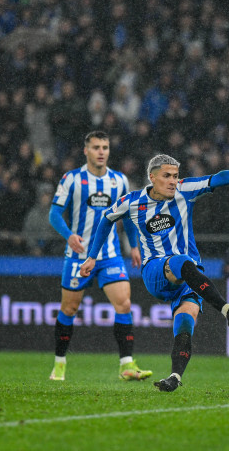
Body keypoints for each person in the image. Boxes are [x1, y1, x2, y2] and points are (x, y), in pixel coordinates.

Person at [80, 154, 229, 392]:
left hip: (189, 277)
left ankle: (175, 376)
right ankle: (226, 309)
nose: (172, 181)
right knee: (181, 261)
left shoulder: (185, 190)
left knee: (186, 322)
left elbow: (217, 178)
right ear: (152, 177)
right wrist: (92, 256)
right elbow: (106, 220)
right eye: (166, 176)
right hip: (156, 270)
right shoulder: (133, 202)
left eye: (175, 176)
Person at [48, 130, 151, 382]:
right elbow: (54, 214)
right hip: (78, 255)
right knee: (69, 308)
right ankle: (59, 363)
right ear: (86, 151)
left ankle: (126, 365)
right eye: (96, 147)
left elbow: (126, 215)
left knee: (124, 304)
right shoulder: (71, 179)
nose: (101, 151)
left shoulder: (119, 181)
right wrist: (69, 235)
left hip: (110, 255)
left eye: (105, 147)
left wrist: (134, 245)